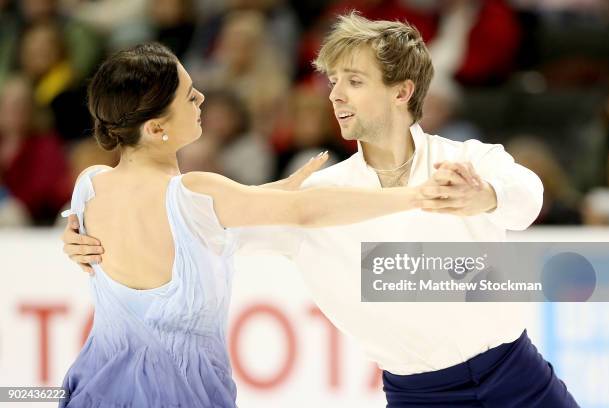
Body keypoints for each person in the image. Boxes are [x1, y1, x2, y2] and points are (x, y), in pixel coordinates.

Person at [62, 14, 578, 407]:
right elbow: (204, 229)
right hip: (419, 395)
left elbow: (527, 195)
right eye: (332, 82)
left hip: (518, 374)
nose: (334, 95)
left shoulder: (466, 160)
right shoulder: (318, 194)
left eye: (352, 80)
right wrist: (88, 237)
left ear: (402, 91)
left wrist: (483, 196)